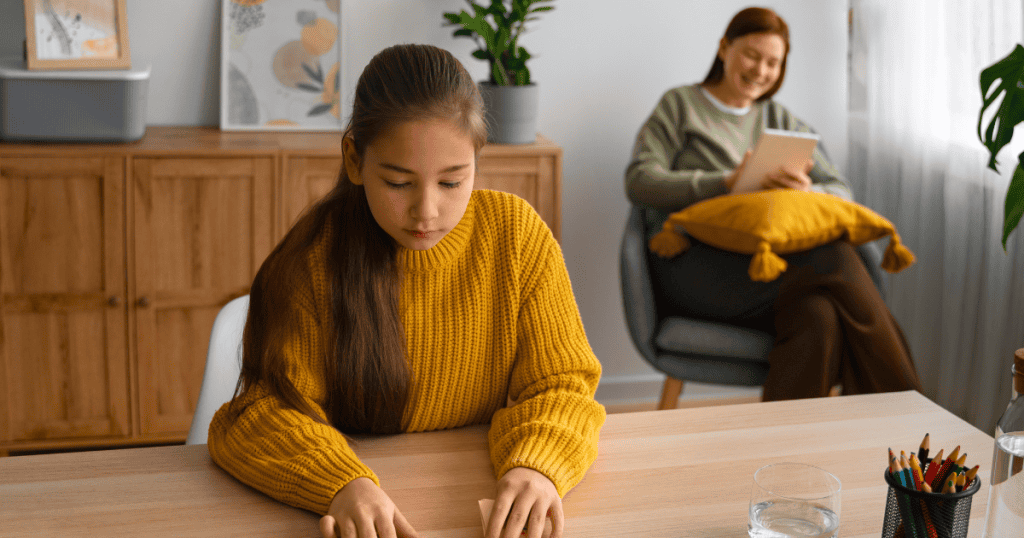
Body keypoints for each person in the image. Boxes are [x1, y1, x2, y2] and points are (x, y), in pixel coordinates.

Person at [208, 44, 605, 538]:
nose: (427, 211)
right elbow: (256, 415)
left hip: (465, 504)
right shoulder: (311, 264)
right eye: (398, 183)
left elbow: (562, 384)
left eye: (452, 182)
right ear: (354, 160)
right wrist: (340, 483)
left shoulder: (517, 237)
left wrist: (537, 466)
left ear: (476, 163)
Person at [625, 7, 921, 400]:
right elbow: (640, 181)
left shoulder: (781, 119)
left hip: (768, 270)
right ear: (724, 47)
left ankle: (787, 454)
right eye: (751, 55)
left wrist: (806, 193)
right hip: (692, 269)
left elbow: (839, 189)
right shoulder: (680, 105)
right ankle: (906, 407)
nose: (760, 70)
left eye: (773, 62)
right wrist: (727, 183)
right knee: (833, 257)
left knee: (820, 315)